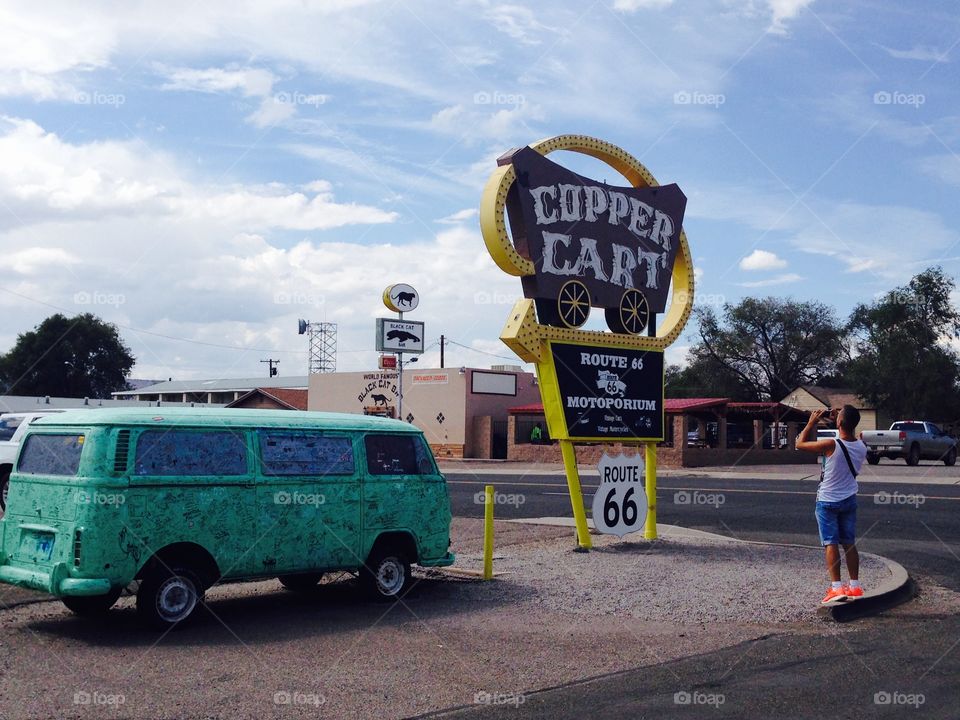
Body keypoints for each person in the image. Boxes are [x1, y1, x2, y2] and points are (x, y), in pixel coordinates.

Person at [796, 404, 867, 605]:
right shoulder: (862, 446)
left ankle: (836, 588)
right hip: (849, 499)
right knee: (849, 542)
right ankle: (854, 585)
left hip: (828, 500)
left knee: (831, 542)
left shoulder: (830, 445)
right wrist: (840, 417)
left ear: (839, 422)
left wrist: (811, 423)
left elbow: (800, 444)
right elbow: (850, 435)